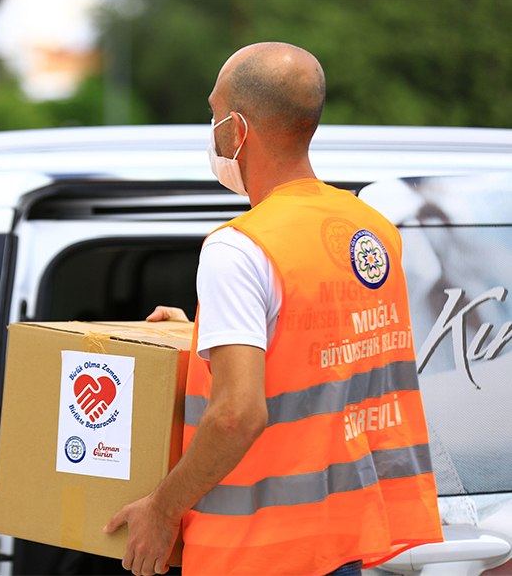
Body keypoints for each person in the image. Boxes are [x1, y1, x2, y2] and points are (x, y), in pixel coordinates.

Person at [103, 42, 443, 576]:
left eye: (213, 114)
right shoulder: (368, 228)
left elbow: (238, 415)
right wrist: (206, 333)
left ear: (236, 131)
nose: (211, 129)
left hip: (258, 554)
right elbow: (324, 348)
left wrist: (161, 510)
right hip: (341, 545)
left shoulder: (239, 247)